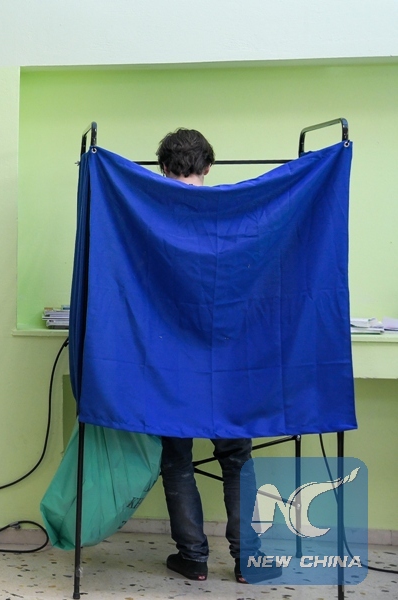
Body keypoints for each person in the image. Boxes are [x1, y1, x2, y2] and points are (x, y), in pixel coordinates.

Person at [155, 128, 278, 585]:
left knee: (177, 457)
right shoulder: (233, 215)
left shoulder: (151, 214)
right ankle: (248, 560)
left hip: (171, 359)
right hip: (231, 358)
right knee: (237, 458)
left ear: (162, 168)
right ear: (209, 167)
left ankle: (193, 558)